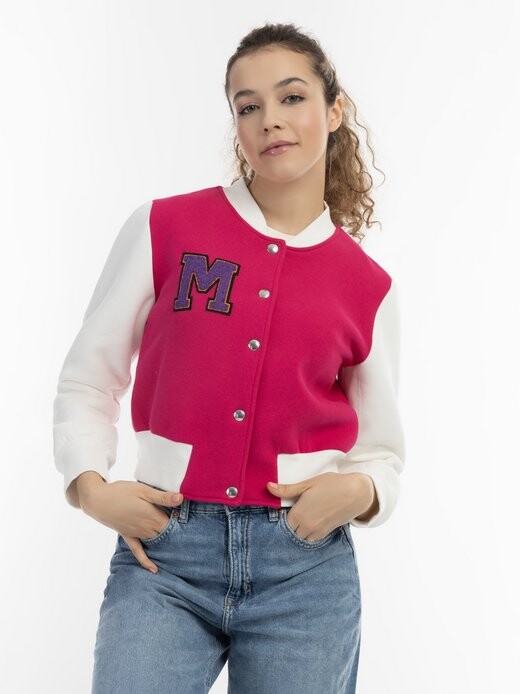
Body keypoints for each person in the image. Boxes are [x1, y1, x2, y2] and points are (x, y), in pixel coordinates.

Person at [53, 21, 405, 694]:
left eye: (292, 97)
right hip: (165, 556)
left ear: (334, 111)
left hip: (305, 570)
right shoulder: (164, 227)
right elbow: (88, 378)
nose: (270, 118)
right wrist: (91, 488)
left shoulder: (368, 286)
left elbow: (382, 451)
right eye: (248, 106)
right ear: (236, 124)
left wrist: (359, 491)